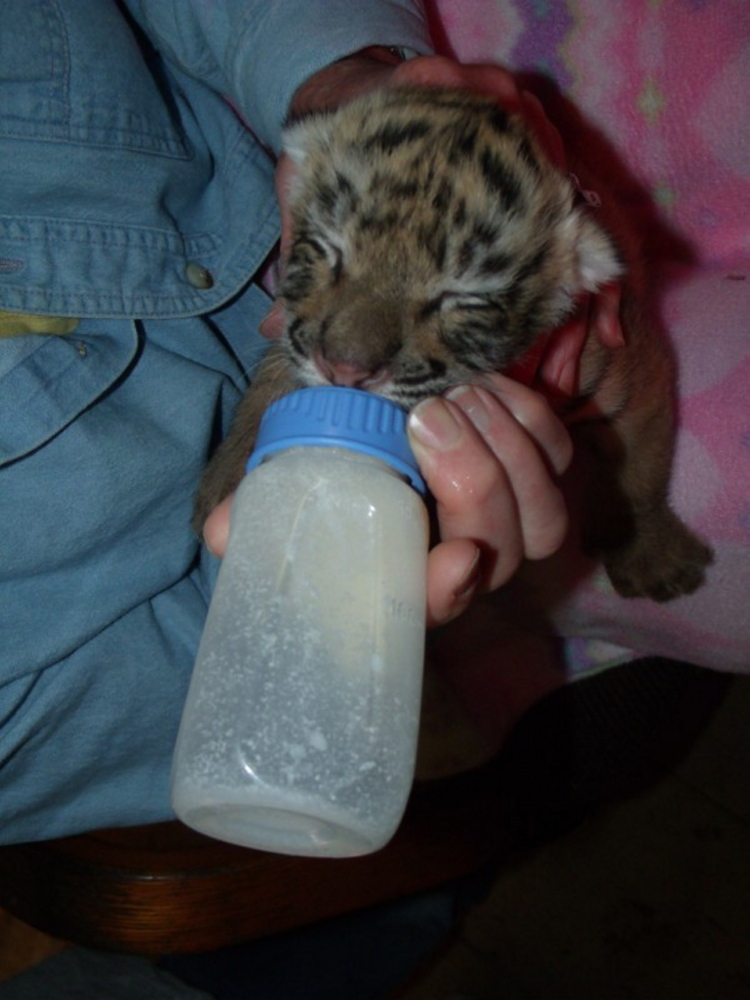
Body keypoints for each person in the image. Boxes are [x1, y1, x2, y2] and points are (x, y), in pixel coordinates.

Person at [0, 1, 597, 845]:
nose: (347, 356)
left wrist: (338, 78)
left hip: (278, 84)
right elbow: (198, 715)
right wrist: (322, 600)